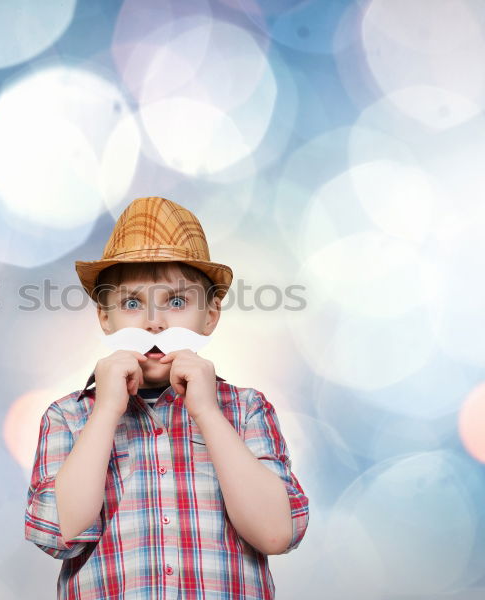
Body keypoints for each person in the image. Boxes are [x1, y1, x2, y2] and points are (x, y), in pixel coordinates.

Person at [24, 196, 309, 599]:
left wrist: (208, 413)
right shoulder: (69, 417)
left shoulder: (246, 410)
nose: (155, 322)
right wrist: (105, 413)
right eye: (131, 303)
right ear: (105, 317)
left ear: (210, 316)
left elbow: (277, 534)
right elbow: (57, 533)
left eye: (176, 302)